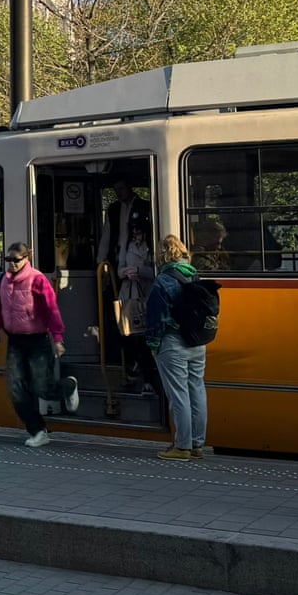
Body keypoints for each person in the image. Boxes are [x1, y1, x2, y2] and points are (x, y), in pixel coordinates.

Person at [0, 242, 79, 448]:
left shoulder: (38, 280)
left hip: (37, 340)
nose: (11, 264)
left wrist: (57, 339)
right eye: (8, 260)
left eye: (16, 260)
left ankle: (69, 386)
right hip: (15, 341)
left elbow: (51, 311)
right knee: (16, 389)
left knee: (42, 388)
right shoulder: (2, 280)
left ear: (27, 258)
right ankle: (38, 431)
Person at [146, 234, 207, 461]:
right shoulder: (194, 275)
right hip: (196, 341)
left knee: (179, 394)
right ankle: (197, 444)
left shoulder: (163, 281)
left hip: (173, 343)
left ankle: (182, 446)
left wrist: (153, 345)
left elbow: (157, 318)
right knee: (197, 390)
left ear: (162, 255)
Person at [117, 227, 158, 393]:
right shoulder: (126, 246)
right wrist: (126, 272)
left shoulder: (153, 246)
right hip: (128, 295)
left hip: (147, 295)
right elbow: (119, 270)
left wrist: (140, 271)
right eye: (134, 233)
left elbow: (156, 271)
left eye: (139, 232)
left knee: (144, 338)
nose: (136, 236)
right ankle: (131, 371)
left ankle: (147, 379)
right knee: (128, 335)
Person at [97, 175, 153, 276]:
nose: (119, 193)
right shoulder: (113, 209)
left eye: (121, 188)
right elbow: (107, 235)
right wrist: (101, 260)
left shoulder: (144, 206)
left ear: (129, 187)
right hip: (117, 256)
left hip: (139, 256)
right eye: (116, 190)